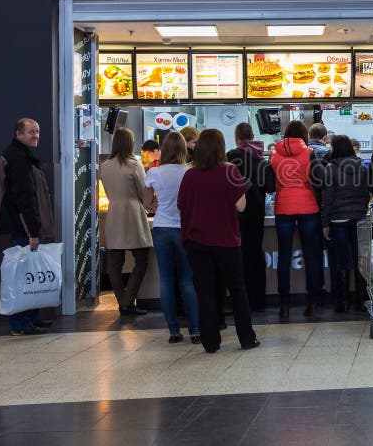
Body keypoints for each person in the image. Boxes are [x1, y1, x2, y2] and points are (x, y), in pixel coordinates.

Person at [178, 129, 259, 353]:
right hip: (226, 240)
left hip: (196, 242)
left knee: (205, 292)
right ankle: (246, 338)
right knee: (237, 289)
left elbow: (181, 206)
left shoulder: (190, 175)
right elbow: (241, 206)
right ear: (221, 148)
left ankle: (211, 342)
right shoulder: (230, 171)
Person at [0, 118, 55, 335]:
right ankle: (20, 324)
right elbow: (23, 199)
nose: (36, 136)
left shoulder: (21, 155)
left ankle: (31, 318)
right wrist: (32, 233)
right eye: (31, 132)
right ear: (18, 134)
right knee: (23, 276)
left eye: (37, 131)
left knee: (31, 273)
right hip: (23, 229)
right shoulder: (18, 158)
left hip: (24, 228)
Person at [143, 132, 200, 344]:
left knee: (166, 280)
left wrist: (156, 205)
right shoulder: (190, 171)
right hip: (184, 228)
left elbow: (146, 200)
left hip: (161, 228)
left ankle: (174, 331)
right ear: (184, 150)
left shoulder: (154, 172)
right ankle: (195, 330)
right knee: (187, 280)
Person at [270, 120, 325, 320]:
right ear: (305, 135)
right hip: (308, 206)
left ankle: (284, 306)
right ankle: (312, 303)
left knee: (284, 258)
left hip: (283, 207)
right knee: (311, 255)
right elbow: (321, 180)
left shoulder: (274, 154)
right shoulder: (310, 154)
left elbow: (269, 182)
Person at [100, 128, 153, 316]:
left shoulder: (104, 166)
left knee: (115, 261)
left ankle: (122, 300)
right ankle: (128, 300)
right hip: (133, 212)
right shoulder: (134, 164)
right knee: (142, 257)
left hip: (114, 213)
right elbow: (143, 191)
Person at [227, 122, 275, 312]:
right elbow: (270, 187)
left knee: (238, 258)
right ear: (253, 136)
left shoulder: (231, 157)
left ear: (237, 137)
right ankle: (258, 301)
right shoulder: (261, 159)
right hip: (257, 214)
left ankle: (241, 302)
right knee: (255, 255)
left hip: (236, 215)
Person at [322, 135, 370, 312]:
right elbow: (366, 193)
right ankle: (360, 301)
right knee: (360, 260)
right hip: (359, 218)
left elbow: (327, 198)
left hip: (338, 219)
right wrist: (363, 210)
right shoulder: (362, 166)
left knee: (342, 261)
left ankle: (341, 303)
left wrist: (325, 223)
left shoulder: (330, 168)